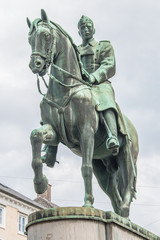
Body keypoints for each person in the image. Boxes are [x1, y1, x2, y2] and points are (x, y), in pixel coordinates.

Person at [78, 15, 119, 156]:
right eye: (83, 27)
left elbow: (109, 64)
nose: (86, 29)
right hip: (79, 85)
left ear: (94, 29)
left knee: (105, 100)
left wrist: (94, 77)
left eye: (89, 27)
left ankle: (112, 136)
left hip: (99, 84)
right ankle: (50, 146)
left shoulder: (104, 46)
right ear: (79, 32)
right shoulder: (75, 50)